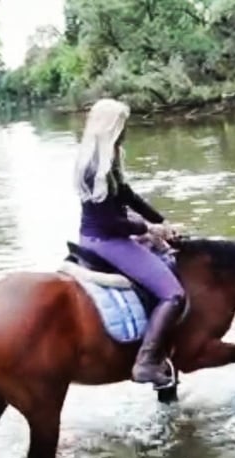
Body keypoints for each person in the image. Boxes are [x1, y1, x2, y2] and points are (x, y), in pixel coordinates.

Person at [74, 98, 185, 390]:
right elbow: (111, 223)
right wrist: (149, 228)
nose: (126, 132)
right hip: (106, 240)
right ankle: (147, 363)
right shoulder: (95, 167)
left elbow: (128, 197)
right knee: (173, 295)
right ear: (111, 127)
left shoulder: (108, 158)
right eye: (122, 125)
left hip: (105, 234)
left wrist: (164, 222)